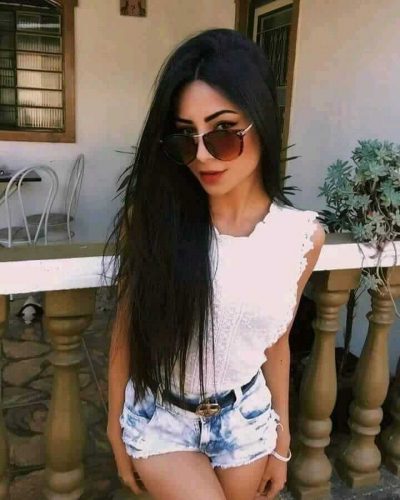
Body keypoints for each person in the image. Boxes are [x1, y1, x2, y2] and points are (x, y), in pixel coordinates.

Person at [107, 28, 325, 500]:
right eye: (186, 137)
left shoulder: (301, 238)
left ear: (262, 120)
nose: (203, 155)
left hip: (245, 420)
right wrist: (113, 426)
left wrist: (282, 440)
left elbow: (276, 343)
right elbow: (127, 327)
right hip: (162, 418)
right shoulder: (156, 219)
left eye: (223, 132)